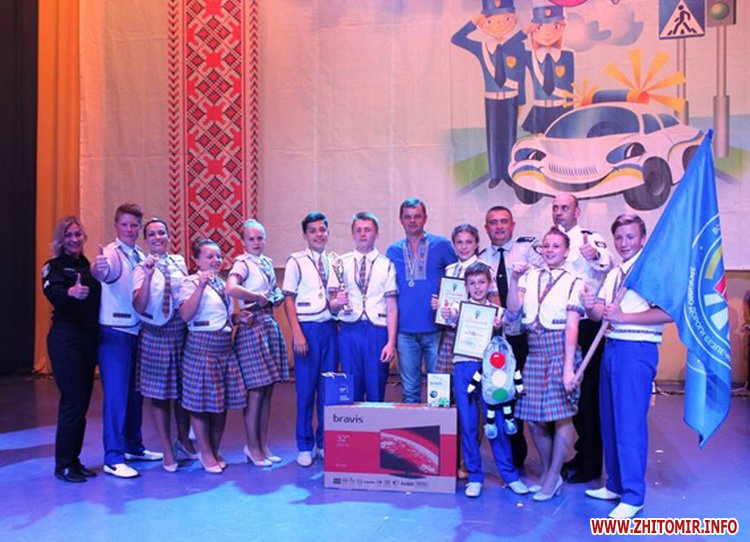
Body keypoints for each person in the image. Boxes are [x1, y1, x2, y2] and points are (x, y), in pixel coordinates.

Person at [581, 214, 671, 519]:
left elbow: (668, 313)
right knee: (609, 420)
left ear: (642, 238)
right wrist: (591, 305)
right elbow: (600, 316)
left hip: (636, 349)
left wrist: (624, 317)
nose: (624, 243)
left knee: (629, 423)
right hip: (612, 347)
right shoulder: (615, 273)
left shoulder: (651, 270)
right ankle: (615, 484)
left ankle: (633, 495)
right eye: (619, 237)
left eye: (630, 237)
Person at [505, 228, 584, 502]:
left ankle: (551, 476)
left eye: (556, 246)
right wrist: (514, 279)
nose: (549, 250)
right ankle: (551, 472)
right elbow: (513, 309)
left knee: (562, 414)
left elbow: (572, 326)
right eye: (546, 246)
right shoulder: (530, 276)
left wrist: (568, 368)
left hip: (560, 349)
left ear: (566, 251)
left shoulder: (574, 281)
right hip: (535, 350)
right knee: (533, 417)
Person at [440, 262, 529, 498]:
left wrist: (499, 328)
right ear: (466, 286)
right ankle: (474, 476)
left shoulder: (497, 312)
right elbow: (448, 317)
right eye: (472, 283)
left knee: (497, 423)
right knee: (468, 423)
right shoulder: (459, 309)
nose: (477, 287)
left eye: (481, 282)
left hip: (492, 371)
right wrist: (446, 313)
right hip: (464, 367)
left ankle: (509, 475)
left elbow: (514, 317)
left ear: (489, 284)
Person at [91, 203, 162, 478]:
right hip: (115, 334)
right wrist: (98, 269)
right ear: (116, 226)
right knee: (116, 396)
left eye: (134, 225)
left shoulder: (140, 255)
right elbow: (103, 272)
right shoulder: (111, 254)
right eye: (125, 225)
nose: (130, 230)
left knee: (135, 395)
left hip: (137, 332)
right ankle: (113, 457)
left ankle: (134, 446)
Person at [552, 193, 612, 484]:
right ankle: (578, 454)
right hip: (559, 327)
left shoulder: (590, 238)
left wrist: (595, 255)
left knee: (587, 396)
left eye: (564, 207)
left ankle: (590, 462)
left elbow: (607, 261)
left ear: (577, 211)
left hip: (587, 325)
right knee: (567, 396)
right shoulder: (551, 241)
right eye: (555, 208)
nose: (559, 212)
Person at [479, 205, 544, 468]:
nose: (499, 226)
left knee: (523, 394)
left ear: (513, 225)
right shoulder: (481, 258)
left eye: (503, 221)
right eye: (493, 222)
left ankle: (532, 454)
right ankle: (512, 457)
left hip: (524, 336)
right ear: (486, 228)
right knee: (499, 391)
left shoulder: (529, 251)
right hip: (495, 336)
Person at [132, 218, 195, 472]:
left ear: (169, 236)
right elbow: (139, 306)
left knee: (182, 391)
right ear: (146, 240)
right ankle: (167, 450)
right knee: (160, 394)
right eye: (152, 234)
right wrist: (148, 277)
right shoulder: (141, 267)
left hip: (179, 331)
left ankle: (183, 440)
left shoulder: (178, 262)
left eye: (162, 233)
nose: (158, 237)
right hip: (156, 333)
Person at [179, 238, 247, 474]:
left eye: (218, 256)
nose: (216, 260)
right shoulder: (189, 283)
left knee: (220, 404)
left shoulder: (222, 284)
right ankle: (205, 452)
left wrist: (237, 318)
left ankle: (215, 449)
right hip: (201, 347)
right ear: (196, 260)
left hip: (224, 347)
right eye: (209, 256)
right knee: (200, 404)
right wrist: (200, 286)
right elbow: (185, 315)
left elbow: (221, 317)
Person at [42, 216, 102, 483]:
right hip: (66, 339)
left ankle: (74, 461)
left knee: (82, 403)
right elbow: (51, 292)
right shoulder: (53, 266)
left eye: (78, 234)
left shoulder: (88, 266)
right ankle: (63, 464)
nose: (74, 239)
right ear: (60, 239)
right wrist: (69, 293)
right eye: (68, 235)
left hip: (89, 339)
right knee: (72, 401)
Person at [227, 219, 289, 467]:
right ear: (243, 241)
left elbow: (272, 291)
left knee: (267, 390)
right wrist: (256, 297)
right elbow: (231, 287)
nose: (256, 242)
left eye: (260, 238)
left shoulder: (265, 263)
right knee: (255, 390)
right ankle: (252, 446)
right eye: (251, 238)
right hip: (251, 325)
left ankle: (262, 444)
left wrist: (275, 296)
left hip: (268, 322)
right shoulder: (242, 263)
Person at [385, 198, 455, 403]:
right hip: (404, 331)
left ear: (425, 218)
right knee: (409, 391)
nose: (412, 221)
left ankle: (440, 425)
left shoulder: (442, 245)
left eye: (417, 216)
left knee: (440, 390)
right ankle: (412, 426)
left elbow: (457, 282)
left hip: (435, 329)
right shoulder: (392, 251)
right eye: (407, 217)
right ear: (401, 220)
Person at [282, 212, 338, 467]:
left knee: (327, 391)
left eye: (322, 230)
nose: (319, 235)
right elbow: (288, 299)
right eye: (313, 231)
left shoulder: (335, 261)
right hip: (306, 329)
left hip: (330, 328)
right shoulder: (296, 261)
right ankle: (304, 444)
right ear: (305, 235)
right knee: (305, 391)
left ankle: (323, 442)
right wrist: (297, 332)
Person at [452, 0, 526, 188]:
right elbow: (457, 39)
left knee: (509, 137)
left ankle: (508, 173)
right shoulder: (481, 48)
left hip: (511, 97)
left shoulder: (516, 46)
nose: (499, 25)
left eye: (506, 19)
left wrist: (521, 100)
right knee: (493, 137)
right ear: (484, 24)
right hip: (492, 99)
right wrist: (475, 21)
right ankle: (495, 174)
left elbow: (521, 74)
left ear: (514, 20)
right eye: (491, 21)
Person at [329, 212, 397, 402]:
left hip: (377, 330)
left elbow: (392, 307)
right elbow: (332, 307)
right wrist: (338, 302)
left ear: (376, 233)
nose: (363, 234)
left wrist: (391, 342)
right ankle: (354, 423)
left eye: (368, 230)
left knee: (376, 387)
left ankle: (375, 422)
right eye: (358, 230)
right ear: (352, 234)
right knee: (351, 388)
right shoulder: (340, 263)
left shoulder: (386, 265)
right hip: (350, 329)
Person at [521, 5, 574, 135]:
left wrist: (570, 110)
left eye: (555, 26)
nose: (547, 33)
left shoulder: (567, 56)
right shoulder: (529, 56)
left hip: (561, 108)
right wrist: (524, 32)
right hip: (540, 110)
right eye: (539, 28)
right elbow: (508, 48)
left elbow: (570, 86)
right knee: (540, 142)